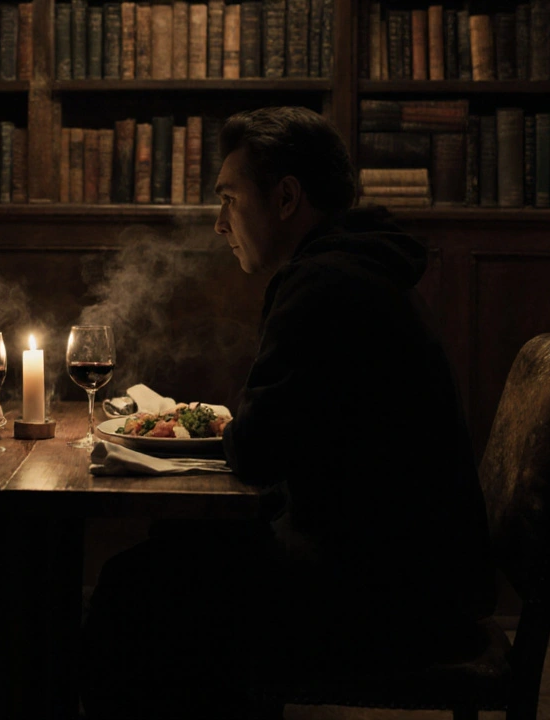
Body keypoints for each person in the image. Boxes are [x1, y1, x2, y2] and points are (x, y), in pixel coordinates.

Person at [80, 107, 496, 719]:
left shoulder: (325, 284)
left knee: (132, 588)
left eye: (229, 199)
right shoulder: (356, 265)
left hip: (390, 604)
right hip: (421, 580)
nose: (219, 223)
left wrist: (239, 426)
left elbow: (257, 450)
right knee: (174, 552)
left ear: (285, 198)